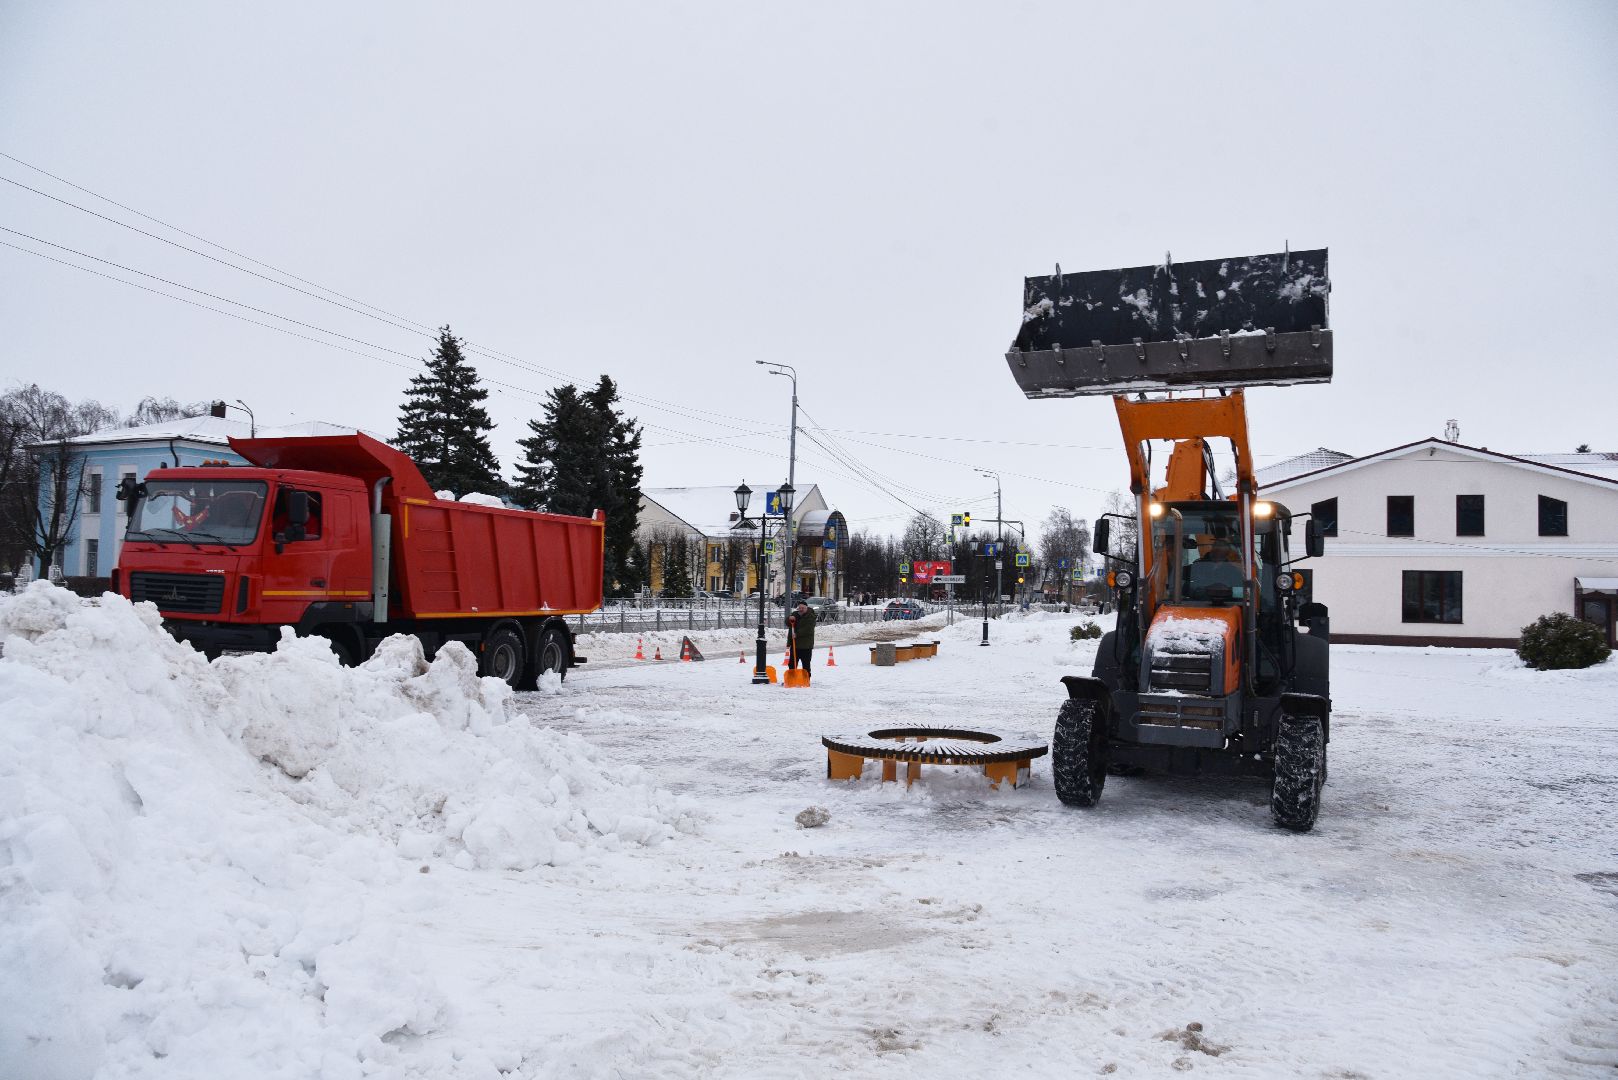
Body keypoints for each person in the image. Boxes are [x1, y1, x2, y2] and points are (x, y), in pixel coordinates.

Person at [788, 598, 817, 672]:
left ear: (806, 608)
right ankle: (792, 679)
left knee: (806, 665)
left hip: (806, 646)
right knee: (792, 664)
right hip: (795, 645)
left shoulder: (810, 616)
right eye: (799, 608)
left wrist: (797, 634)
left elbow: (808, 629)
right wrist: (789, 619)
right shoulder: (795, 614)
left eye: (803, 608)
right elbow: (788, 624)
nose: (801, 609)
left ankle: (806, 680)